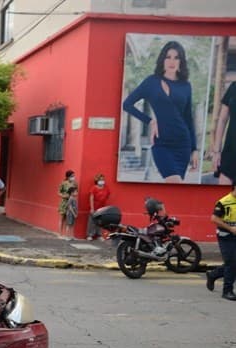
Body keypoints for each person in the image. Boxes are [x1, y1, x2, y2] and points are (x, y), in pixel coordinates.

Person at [122, 40, 199, 183]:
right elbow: (127, 104)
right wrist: (150, 121)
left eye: (176, 58)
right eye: (168, 57)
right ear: (162, 59)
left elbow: (188, 119)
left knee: (174, 189)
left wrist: (194, 149)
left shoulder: (185, 86)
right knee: (173, 181)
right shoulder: (151, 82)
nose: (172, 61)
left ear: (181, 61)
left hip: (183, 144)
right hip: (162, 144)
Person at [205, 182, 236, 300]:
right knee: (232, 262)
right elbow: (214, 218)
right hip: (226, 236)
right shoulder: (224, 202)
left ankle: (213, 275)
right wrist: (231, 228)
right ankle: (227, 291)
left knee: (233, 263)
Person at [211, 82, 236, 185]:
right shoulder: (234, 87)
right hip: (230, 152)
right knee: (223, 198)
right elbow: (222, 120)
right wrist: (217, 151)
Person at [86, 173, 110, 240]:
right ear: (97, 180)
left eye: (103, 179)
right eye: (100, 180)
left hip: (102, 207)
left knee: (100, 221)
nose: (102, 181)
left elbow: (107, 195)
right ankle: (90, 235)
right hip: (94, 207)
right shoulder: (94, 188)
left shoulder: (106, 188)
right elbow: (91, 198)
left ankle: (99, 235)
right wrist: (92, 208)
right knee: (92, 221)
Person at [58, 170, 76, 235]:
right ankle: (60, 233)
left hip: (71, 202)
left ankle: (67, 234)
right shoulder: (63, 183)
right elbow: (58, 192)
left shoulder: (75, 184)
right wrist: (63, 195)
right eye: (72, 176)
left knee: (69, 219)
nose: (73, 177)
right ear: (68, 176)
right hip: (64, 202)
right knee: (62, 218)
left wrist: (74, 195)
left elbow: (76, 192)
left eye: (74, 176)